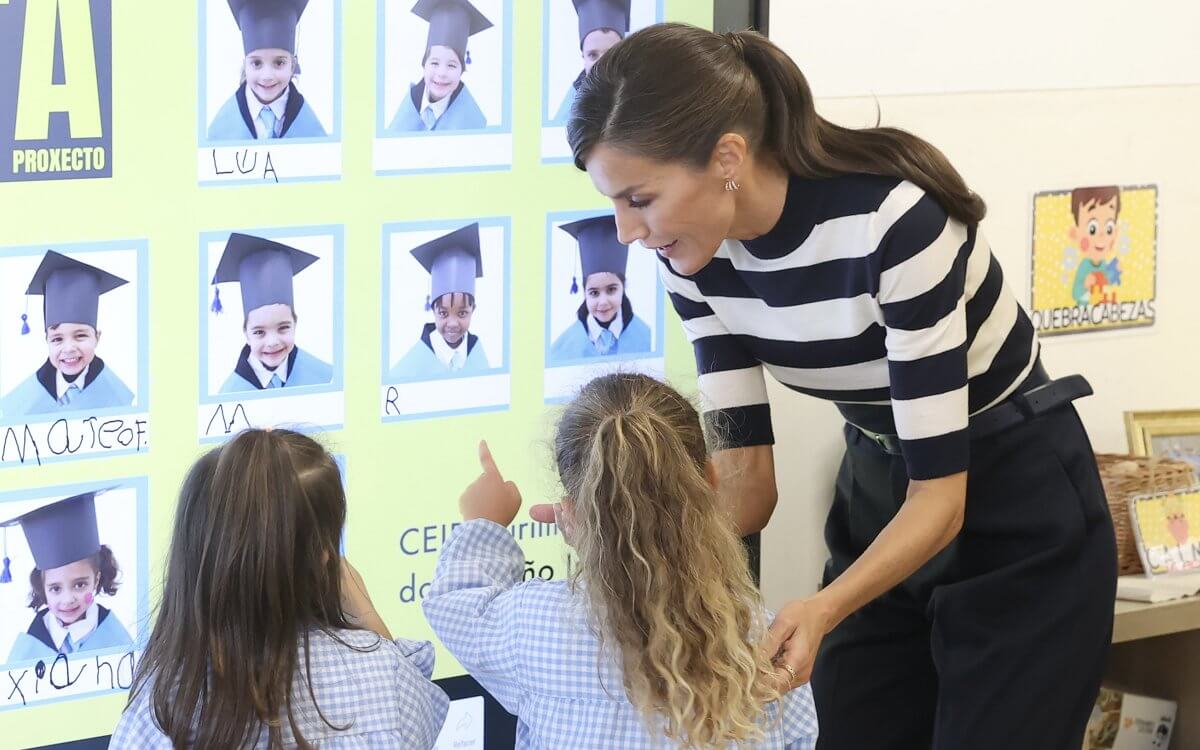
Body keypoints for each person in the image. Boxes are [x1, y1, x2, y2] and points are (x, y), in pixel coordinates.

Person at [561, 22, 1117, 750]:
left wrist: (824, 606)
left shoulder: (894, 223)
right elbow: (748, 485)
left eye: (640, 197)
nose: (626, 231)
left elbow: (943, 501)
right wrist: (630, 531)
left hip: (1013, 496)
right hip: (880, 484)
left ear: (727, 157)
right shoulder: (693, 261)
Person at [424, 373, 819, 748]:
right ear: (711, 482)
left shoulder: (532, 627)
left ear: (574, 514)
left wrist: (484, 522)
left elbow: (456, 604)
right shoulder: (769, 644)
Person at [111, 429, 449, 749]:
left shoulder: (168, 702)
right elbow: (420, 719)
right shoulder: (385, 676)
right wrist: (367, 616)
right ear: (324, 557)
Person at [2, 490, 133, 662]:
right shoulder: (30, 647)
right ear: (43, 588)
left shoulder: (116, 639)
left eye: (80, 585)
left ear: (97, 579)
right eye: (55, 588)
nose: (67, 599)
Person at [0, 250, 134, 417]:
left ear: (97, 338)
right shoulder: (22, 402)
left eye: (80, 336)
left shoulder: (120, 398)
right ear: (47, 340)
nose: (69, 348)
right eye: (57, 339)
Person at [210, 233, 334, 394]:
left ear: (295, 324)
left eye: (283, 328)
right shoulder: (230, 393)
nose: (273, 342)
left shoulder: (325, 376)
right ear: (246, 334)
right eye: (259, 332)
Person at [208, 0, 327, 140]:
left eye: (279, 62)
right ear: (245, 65)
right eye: (257, 63)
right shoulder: (221, 128)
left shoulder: (310, 128)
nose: (267, 76)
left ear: (292, 66)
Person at [391, 223, 491, 378]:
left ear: (473, 310)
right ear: (433, 309)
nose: (452, 323)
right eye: (443, 313)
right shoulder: (415, 360)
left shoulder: (476, 351)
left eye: (462, 313)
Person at [549, 214, 652, 360]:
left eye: (611, 290)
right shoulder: (561, 350)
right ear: (584, 292)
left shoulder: (647, 338)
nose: (603, 302)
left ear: (624, 286)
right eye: (594, 293)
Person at [387, 0, 491, 133]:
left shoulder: (472, 122)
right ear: (424, 64)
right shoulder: (406, 110)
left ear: (462, 70)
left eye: (452, 65)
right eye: (434, 63)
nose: (442, 73)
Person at [553, 0, 630, 122]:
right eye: (593, 55)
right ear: (583, 57)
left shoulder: (638, 92)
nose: (601, 63)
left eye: (610, 54)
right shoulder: (571, 106)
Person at [1068, 185, 1122, 306]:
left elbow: (1107, 280)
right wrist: (1085, 284)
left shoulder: (1103, 264)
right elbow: (1075, 293)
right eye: (1092, 229)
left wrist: (1115, 271)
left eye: (1109, 229)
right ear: (1075, 233)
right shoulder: (1084, 266)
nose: (1101, 236)